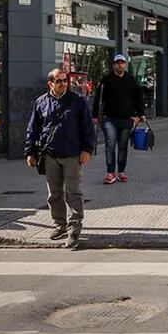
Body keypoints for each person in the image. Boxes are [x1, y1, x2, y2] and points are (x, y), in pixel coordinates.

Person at [25, 68, 95, 249]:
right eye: (59, 81)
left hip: (72, 154)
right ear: (50, 84)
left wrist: (87, 149)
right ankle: (59, 225)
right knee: (54, 194)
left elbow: (88, 127)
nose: (63, 83)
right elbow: (33, 129)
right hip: (50, 155)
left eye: (65, 80)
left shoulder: (77, 101)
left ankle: (74, 229)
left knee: (74, 193)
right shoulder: (41, 102)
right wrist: (30, 152)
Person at [93, 54, 144, 185]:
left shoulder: (130, 79)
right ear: (113, 65)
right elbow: (98, 99)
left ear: (125, 65)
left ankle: (121, 171)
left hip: (126, 118)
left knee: (123, 146)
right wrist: (95, 116)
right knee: (110, 144)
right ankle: (110, 172)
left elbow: (138, 98)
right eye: (117, 63)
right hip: (109, 118)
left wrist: (140, 114)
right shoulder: (106, 80)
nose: (120, 65)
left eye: (122, 63)